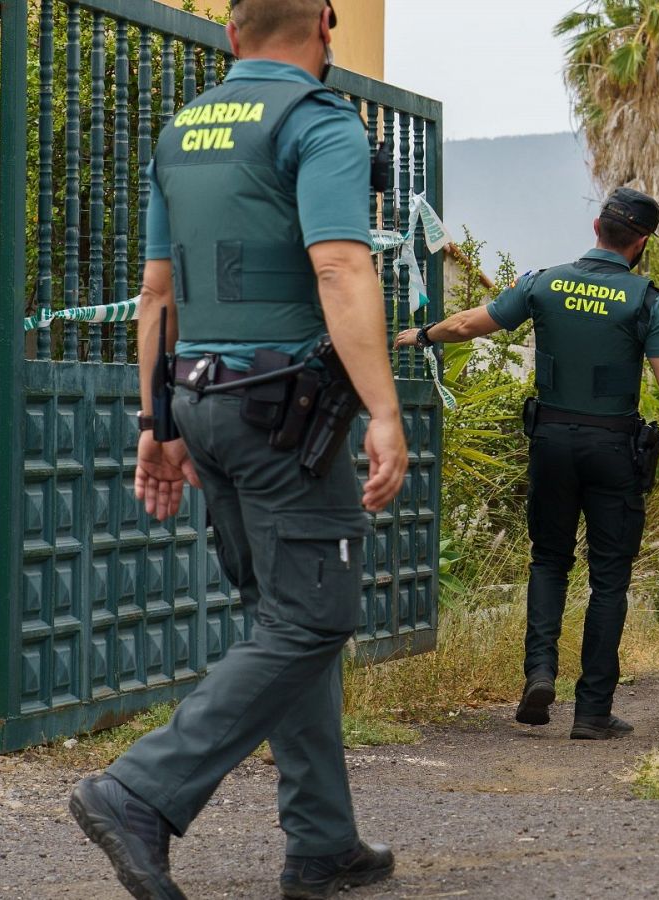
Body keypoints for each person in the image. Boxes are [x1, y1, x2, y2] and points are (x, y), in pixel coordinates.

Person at [66, 2, 407, 898]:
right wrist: (384, 410)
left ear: (232, 36)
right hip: (282, 417)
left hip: (201, 405)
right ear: (324, 31)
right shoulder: (317, 120)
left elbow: (154, 295)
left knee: (285, 619)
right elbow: (339, 266)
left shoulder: (182, 130)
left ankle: (324, 842)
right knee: (314, 619)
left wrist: (155, 428)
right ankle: (137, 791)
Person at [396, 187, 659, 740]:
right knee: (609, 579)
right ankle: (592, 711)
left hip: (552, 442)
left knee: (548, 560)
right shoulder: (645, 299)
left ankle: (538, 674)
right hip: (613, 450)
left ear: (596, 228)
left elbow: (468, 325)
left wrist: (419, 334)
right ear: (642, 242)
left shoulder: (545, 282)